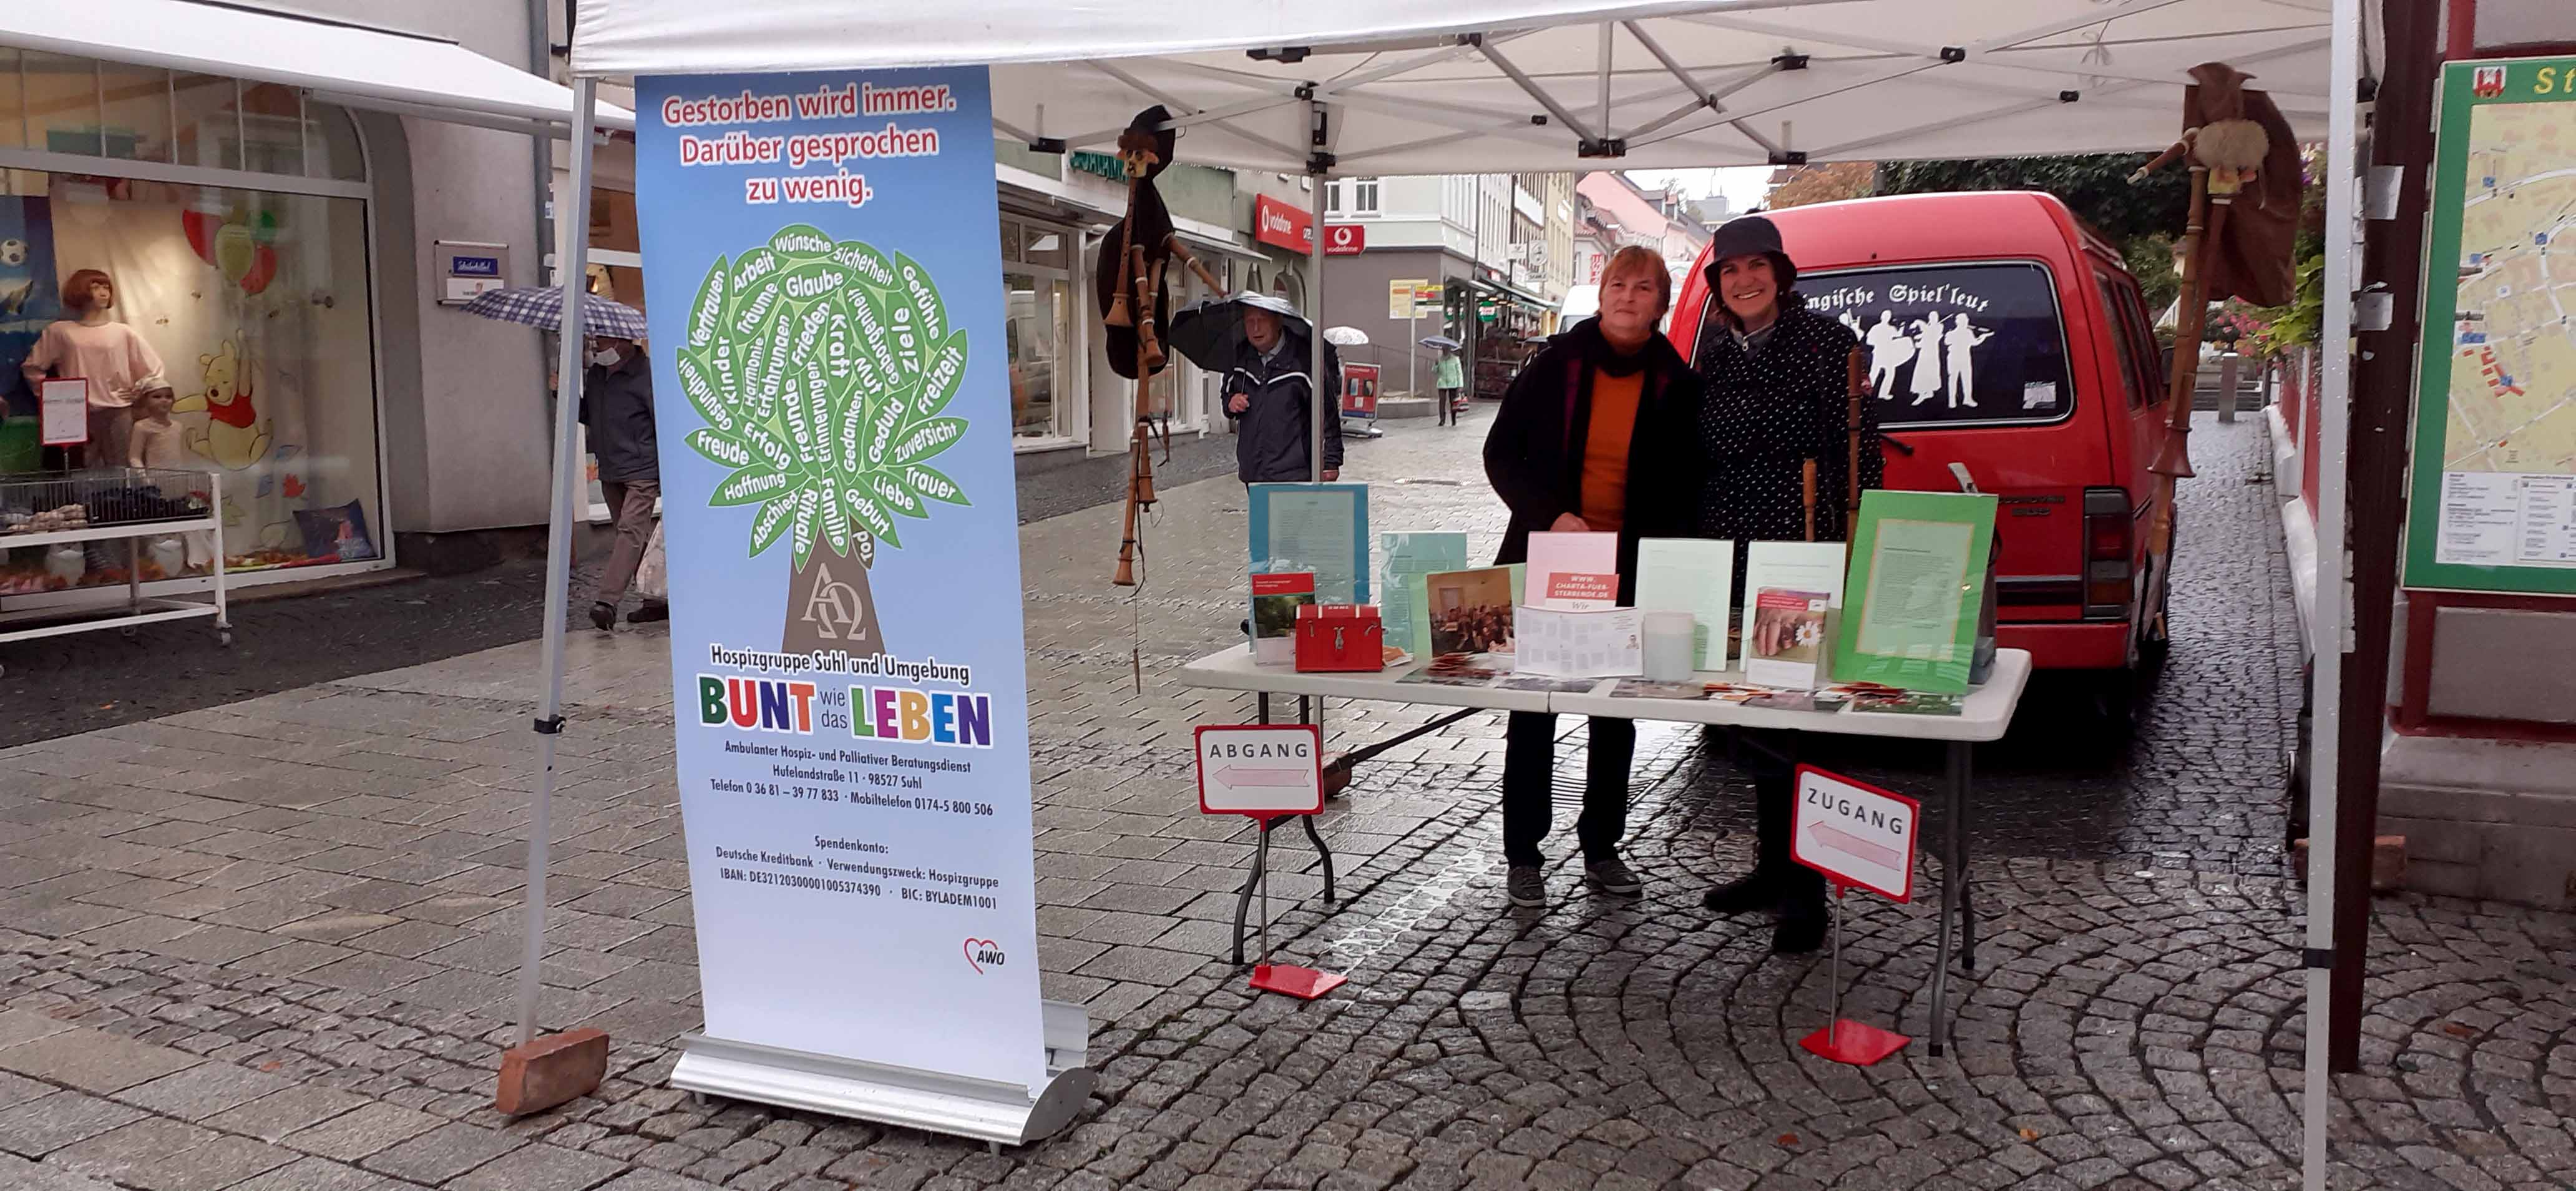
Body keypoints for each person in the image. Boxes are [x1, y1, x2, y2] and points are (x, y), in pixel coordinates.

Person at [1483, 245, 1704, 909]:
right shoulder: (1557, 365)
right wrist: (1552, 516)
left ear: (1660, 304)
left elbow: (1692, 482)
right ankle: (1524, 853)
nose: (1628, 296)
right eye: (1618, 284)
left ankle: (1601, 845)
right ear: (1600, 291)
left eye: (1643, 287)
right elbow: (1500, 454)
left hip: (1631, 568)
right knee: (1534, 710)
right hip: (1551, 559)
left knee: (1616, 715)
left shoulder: (1675, 380)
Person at [1690, 214, 1885, 954]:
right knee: (1751, 719)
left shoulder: (1828, 346)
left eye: (1756, 266)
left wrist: (1849, 548)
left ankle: (1805, 890)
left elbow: (1860, 454)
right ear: (1717, 282)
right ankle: (1771, 868)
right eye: (1729, 270)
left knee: (1797, 723)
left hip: (1799, 553)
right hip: (1729, 555)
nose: (1744, 280)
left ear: (1781, 272)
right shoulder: (1711, 353)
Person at [23, 268, 165, 470]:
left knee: (120, 468)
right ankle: (80, 503)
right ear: (80, 291)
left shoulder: (123, 332)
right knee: (78, 469)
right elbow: (33, 367)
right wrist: (54, 397)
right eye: (95, 287)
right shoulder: (60, 331)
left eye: (106, 286)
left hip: (117, 409)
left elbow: (154, 369)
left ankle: (119, 502)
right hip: (74, 411)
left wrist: (139, 391)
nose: (103, 292)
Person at [580, 335, 667, 630]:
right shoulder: (597, 375)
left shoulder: (648, 374)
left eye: (601, 343)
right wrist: (559, 394)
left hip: (642, 468)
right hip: (611, 468)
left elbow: (663, 420)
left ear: (622, 342)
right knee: (633, 537)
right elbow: (587, 416)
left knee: (629, 531)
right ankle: (655, 600)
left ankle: (607, 602)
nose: (597, 348)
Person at [1223, 303, 1341, 483]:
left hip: (1295, 473)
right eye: (1250, 322)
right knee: (1261, 513)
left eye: (1262, 320)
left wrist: (1331, 462)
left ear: (1278, 321)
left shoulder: (1306, 360)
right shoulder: (1239, 357)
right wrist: (1231, 402)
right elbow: (1226, 396)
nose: (1256, 328)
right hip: (1253, 472)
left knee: (1291, 513)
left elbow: (1328, 414)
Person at [1434, 346, 1465, 426]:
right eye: (1443, 349)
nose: (1444, 351)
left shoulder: (1455, 359)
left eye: (1446, 349)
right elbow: (1434, 371)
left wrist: (1460, 385)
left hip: (1453, 383)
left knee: (1453, 403)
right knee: (1442, 402)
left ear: (1449, 350)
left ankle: (1453, 420)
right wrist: (1436, 365)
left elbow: (1459, 373)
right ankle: (1442, 420)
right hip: (1442, 383)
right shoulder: (1440, 359)